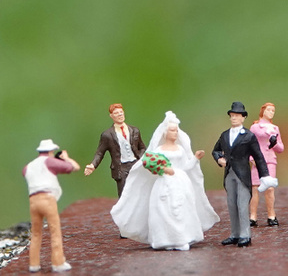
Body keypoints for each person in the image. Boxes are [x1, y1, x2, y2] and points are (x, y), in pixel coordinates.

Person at [109, 111, 217, 250]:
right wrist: (163, 169)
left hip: (180, 182)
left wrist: (195, 158)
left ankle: (181, 238)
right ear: (165, 133)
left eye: (176, 131)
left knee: (180, 209)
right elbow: (150, 163)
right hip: (164, 182)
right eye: (172, 130)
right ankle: (164, 239)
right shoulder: (159, 150)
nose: (175, 133)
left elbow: (185, 166)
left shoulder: (180, 149)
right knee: (164, 210)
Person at [211, 101, 270, 247]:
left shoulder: (249, 136)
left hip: (242, 175)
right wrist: (219, 159)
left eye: (237, 116)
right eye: (232, 115)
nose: (234, 118)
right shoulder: (225, 135)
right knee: (231, 204)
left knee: (242, 204)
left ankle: (245, 234)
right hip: (229, 173)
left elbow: (258, 156)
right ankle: (235, 234)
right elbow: (216, 150)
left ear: (243, 118)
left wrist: (265, 176)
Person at [22, 139, 79, 272]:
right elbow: (74, 167)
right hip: (47, 199)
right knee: (54, 230)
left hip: (33, 200)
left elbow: (25, 173)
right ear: (50, 151)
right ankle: (58, 263)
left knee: (36, 233)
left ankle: (34, 264)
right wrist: (66, 158)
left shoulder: (28, 166)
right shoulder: (49, 161)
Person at [84, 102, 147, 196]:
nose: (120, 114)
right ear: (111, 116)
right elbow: (100, 153)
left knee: (140, 191)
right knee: (124, 194)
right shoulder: (107, 135)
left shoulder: (134, 130)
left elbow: (142, 148)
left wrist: (140, 159)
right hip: (121, 168)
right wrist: (93, 165)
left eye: (121, 112)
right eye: (117, 113)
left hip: (136, 164)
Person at [247, 102, 285, 227]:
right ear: (263, 111)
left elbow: (280, 148)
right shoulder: (255, 127)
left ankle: (271, 215)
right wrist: (251, 157)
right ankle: (253, 216)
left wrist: (274, 143)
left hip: (270, 160)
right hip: (258, 160)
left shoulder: (275, 128)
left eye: (273, 110)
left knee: (270, 189)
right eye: (269, 110)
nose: (271, 112)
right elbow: (251, 143)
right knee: (255, 188)